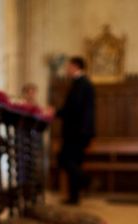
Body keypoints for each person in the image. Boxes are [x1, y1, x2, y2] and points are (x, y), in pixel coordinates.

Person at [57, 56, 95, 205]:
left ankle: (86, 180)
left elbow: (74, 108)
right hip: (79, 131)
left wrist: (56, 112)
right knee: (74, 162)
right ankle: (74, 197)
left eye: (68, 66)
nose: (67, 69)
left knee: (66, 160)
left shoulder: (82, 84)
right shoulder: (82, 83)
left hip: (77, 132)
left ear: (75, 66)